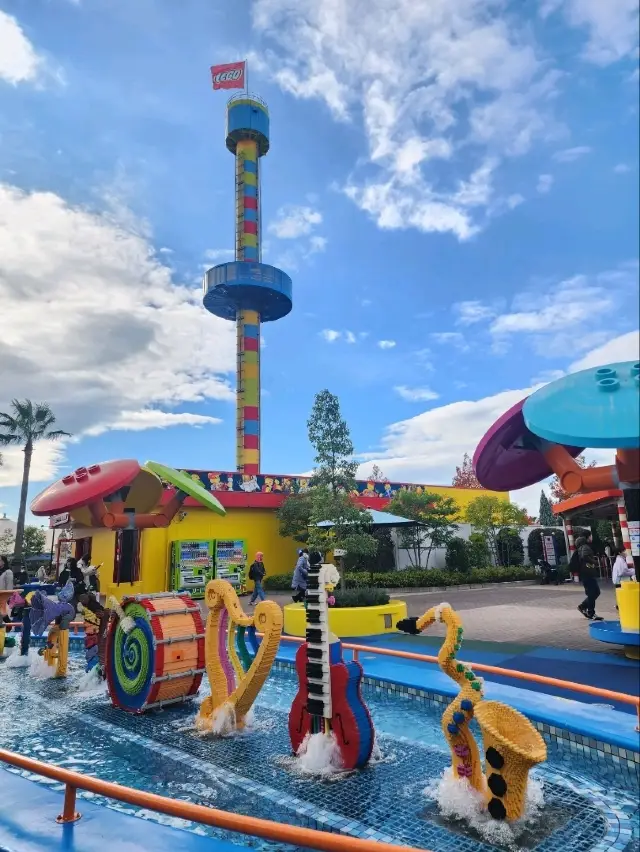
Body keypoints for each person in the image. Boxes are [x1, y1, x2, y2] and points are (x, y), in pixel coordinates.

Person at [574, 535, 603, 621]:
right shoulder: (585, 547)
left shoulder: (580, 549)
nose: (590, 538)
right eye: (589, 536)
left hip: (585, 574)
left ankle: (583, 606)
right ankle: (591, 613)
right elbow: (585, 557)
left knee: (595, 592)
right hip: (588, 573)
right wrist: (595, 562)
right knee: (592, 593)